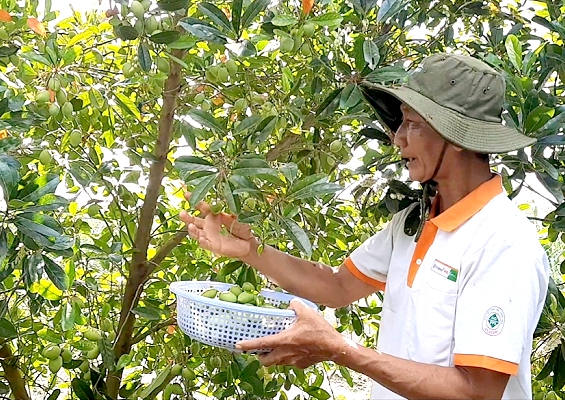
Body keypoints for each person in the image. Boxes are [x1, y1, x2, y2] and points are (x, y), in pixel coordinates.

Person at [179, 53, 550, 399]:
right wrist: (250, 250)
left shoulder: (502, 241)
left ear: (455, 136)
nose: (397, 137)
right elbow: (337, 286)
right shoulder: (413, 222)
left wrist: (342, 350)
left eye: (412, 124)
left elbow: (476, 390)